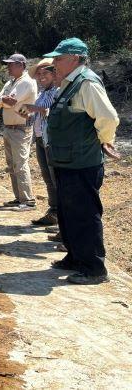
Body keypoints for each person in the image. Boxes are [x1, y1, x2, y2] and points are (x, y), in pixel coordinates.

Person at [44, 38, 120, 285]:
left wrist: (105, 140)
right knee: (67, 213)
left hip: (83, 162)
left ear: (74, 59)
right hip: (67, 161)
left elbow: (108, 117)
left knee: (85, 214)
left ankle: (94, 268)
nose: (54, 63)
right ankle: (75, 257)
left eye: (58, 58)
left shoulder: (86, 83)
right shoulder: (69, 83)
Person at [0, 53, 38, 211]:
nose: (8, 67)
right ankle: (19, 198)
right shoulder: (11, 82)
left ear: (21, 65)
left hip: (21, 128)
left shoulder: (27, 82)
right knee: (12, 164)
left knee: (20, 163)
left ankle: (28, 200)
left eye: (11, 64)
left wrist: (5, 101)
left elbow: (11, 101)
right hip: (9, 127)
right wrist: (5, 100)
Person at [22, 59, 60, 227]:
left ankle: (60, 217)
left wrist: (35, 109)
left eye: (45, 73)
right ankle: (54, 212)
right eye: (39, 73)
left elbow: (53, 112)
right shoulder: (43, 92)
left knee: (56, 178)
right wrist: (28, 116)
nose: (41, 76)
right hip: (40, 138)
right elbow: (38, 116)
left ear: (54, 73)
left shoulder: (58, 91)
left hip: (51, 140)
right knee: (48, 178)